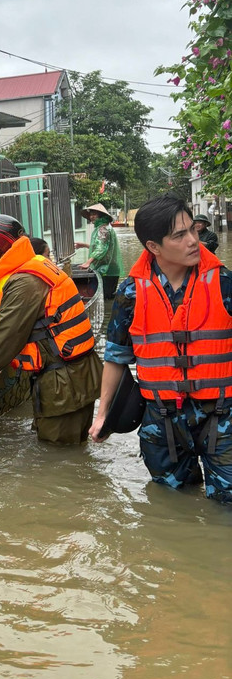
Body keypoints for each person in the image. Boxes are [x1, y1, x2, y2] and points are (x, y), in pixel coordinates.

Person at [89, 196, 232, 502]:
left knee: (227, 505)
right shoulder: (131, 292)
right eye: (179, 236)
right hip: (162, 420)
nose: (194, 241)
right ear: (153, 247)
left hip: (222, 417)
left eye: (192, 230)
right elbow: (115, 357)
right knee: (170, 502)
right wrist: (103, 415)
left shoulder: (223, 283)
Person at [0, 215, 103, 444]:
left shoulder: (25, 281)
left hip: (63, 383)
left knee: (57, 460)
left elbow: (2, 339)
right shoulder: (34, 267)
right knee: (68, 451)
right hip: (73, 376)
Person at [76, 202, 124, 299]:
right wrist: (84, 245)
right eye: (91, 214)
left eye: (94, 214)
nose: (91, 217)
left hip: (106, 270)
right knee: (107, 298)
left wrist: (88, 262)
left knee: (103, 299)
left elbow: (101, 249)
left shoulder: (103, 230)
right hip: (109, 269)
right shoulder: (105, 227)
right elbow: (105, 248)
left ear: (101, 215)